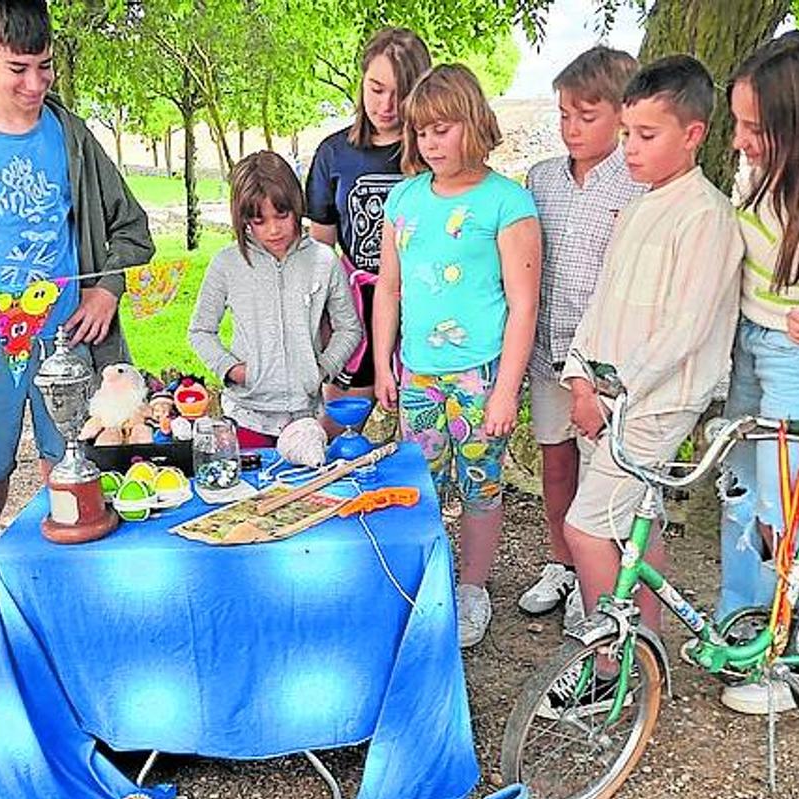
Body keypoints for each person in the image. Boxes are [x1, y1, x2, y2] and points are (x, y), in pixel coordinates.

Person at [0, 0, 154, 659]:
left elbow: (131, 228)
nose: (35, 85)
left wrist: (107, 286)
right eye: (18, 69)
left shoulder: (70, 135)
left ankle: (68, 630)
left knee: (72, 485)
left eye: (46, 68)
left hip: (68, 343)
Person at [558, 56, 743, 684]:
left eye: (647, 136)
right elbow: (601, 304)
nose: (630, 149)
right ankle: (648, 652)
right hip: (607, 398)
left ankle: (607, 663)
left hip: (655, 402)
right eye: (628, 133)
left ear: (692, 135)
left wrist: (614, 391)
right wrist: (580, 376)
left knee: (585, 529)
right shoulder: (638, 207)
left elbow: (686, 331)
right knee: (638, 522)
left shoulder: (707, 216)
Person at [373, 64, 541, 649]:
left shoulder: (507, 203)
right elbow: (388, 288)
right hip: (418, 374)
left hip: (479, 376)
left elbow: (523, 306)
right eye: (421, 133)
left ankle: (472, 588)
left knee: (481, 483)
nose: (430, 143)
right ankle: (423, 581)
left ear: (473, 124)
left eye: (442, 129)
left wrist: (504, 391)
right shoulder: (405, 200)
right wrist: (382, 365)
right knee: (421, 482)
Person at [717, 32, 799, 715]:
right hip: (750, 342)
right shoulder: (755, 168)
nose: (740, 141)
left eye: (756, 129)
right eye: (737, 122)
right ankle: (743, 631)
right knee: (740, 494)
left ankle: (792, 664)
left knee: (785, 515)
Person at [519, 47, 646, 628]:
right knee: (557, 464)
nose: (571, 128)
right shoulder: (540, 178)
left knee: (605, 475)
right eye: (564, 114)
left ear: (623, 115)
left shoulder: (638, 187)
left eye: (585, 116)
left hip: (604, 368)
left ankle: (599, 580)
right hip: (548, 354)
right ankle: (562, 563)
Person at [188, 151, 361, 447]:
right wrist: (233, 370)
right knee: (253, 494)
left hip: (306, 419)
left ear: (297, 206)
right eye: (259, 220)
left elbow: (349, 328)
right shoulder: (227, 263)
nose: (273, 229)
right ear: (244, 220)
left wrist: (321, 369)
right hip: (246, 417)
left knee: (304, 491)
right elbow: (200, 331)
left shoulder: (323, 260)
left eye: (282, 216)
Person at [305, 28, 431, 429]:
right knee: (339, 430)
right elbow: (319, 252)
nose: (387, 105)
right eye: (376, 89)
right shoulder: (333, 154)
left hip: (422, 307)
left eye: (401, 93)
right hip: (354, 308)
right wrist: (324, 322)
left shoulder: (433, 153)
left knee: (422, 436)